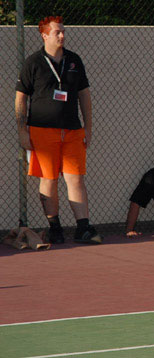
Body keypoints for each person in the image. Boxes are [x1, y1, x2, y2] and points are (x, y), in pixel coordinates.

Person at [15, 15, 102, 245]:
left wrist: (88, 128)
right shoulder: (33, 62)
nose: (62, 35)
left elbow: (84, 95)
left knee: (76, 179)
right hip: (42, 132)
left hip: (73, 132)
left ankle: (83, 227)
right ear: (44, 35)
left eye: (63, 31)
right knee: (49, 180)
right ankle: (55, 227)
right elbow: (20, 98)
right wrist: (22, 131)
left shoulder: (74, 60)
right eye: (57, 32)